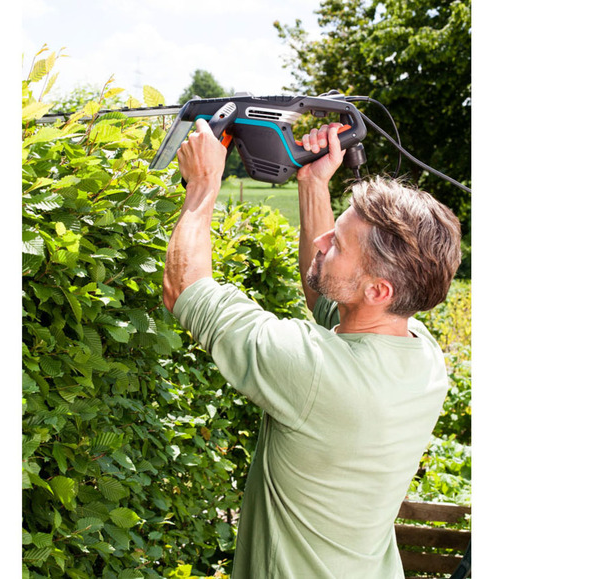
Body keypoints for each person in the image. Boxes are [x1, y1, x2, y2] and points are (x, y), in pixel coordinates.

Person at [163, 119, 462, 578]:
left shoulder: (316, 373)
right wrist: (313, 182)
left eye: (337, 244)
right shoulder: (423, 357)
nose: (323, 242)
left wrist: (203, 184)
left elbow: (185, 290)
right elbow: (326, 296)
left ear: (379, 291)